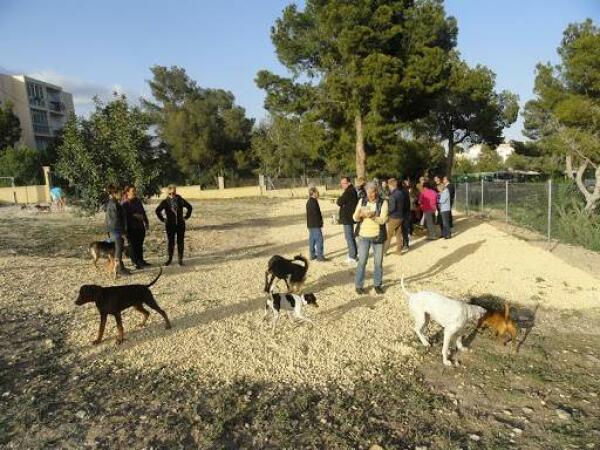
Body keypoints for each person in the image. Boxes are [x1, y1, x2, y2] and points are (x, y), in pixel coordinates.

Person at [353, 182, 388, 295]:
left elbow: (383, 220)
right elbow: (355, 218)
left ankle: (377, 285)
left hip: (377, 236)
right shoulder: (361, 201)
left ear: (376, 191)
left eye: (372, 192)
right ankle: (358, 285)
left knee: (378, 263)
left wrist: (372, 216)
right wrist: (360, 215)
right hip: (363, 236)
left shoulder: (383, 202)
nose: (371, 195)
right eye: (368, 192)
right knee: (362, 261)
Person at [155, 185, 193, 266]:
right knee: (171, 242)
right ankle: (170, 259)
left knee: (180, 242)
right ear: (168, 193)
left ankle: (180, 260)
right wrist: (163, 219)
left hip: (180, 224)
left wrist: (186, 217)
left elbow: (189, 207)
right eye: (170, 193)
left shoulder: (180, 200)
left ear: (175, 192)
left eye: (173, 193)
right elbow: (157, 210)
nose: (172, 195)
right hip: (170, 225)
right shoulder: (165, 202)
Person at [122, 186, 150, 269]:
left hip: (140, 227)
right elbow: (124, 216)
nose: (135, 192)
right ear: (127, 192)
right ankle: (135, 262)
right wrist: (134, 215)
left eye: (135, 190)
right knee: (133, 246)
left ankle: (141, 260)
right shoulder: (125, 203)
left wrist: (146, 222)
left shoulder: (138, 201)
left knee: (139, 245)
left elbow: (143, 212)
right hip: (131, 228)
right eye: (133, 191)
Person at [105, 184, 129, 276]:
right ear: (115, 193)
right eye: (120, 193)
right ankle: (119, 269)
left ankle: (121, 267)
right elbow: (115, 219)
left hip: (115, 230)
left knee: (118, 249)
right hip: (115, 230)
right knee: (118, 251)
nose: (122, 195)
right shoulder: (113, 204)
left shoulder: (115, 203)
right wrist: (122, 231)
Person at [336, 176, 358, 265]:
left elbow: (339, 202)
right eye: (341, 184)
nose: (342, 185)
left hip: (347, 218)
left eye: (343, 183)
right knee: (350, 236)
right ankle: (354, 253)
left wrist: (340, 199)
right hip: (349, 217)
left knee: (349, 237)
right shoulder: (351, 190)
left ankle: (352, 256)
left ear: (348, 183)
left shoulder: (349, 191)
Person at [384, 178, 406, 254]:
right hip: (401, 216)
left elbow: (392, 208)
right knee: (398, 234)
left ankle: (384, 251)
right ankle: (399, 250)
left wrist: (386, 212)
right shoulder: (401, 193)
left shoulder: (393, 195)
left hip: (394, 217)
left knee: (389, 235)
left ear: (390, 185)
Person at [306, 186, 325, 261]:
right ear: (313, 193)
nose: (318, 193)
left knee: (312, 240)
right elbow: (316, 214)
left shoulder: (309, 201)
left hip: (310, 225)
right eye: (317, 192)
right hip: (315, 225)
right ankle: (320, 257)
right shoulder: (313, 202)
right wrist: (320, 222)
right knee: (319, 240)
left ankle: (312, 255)